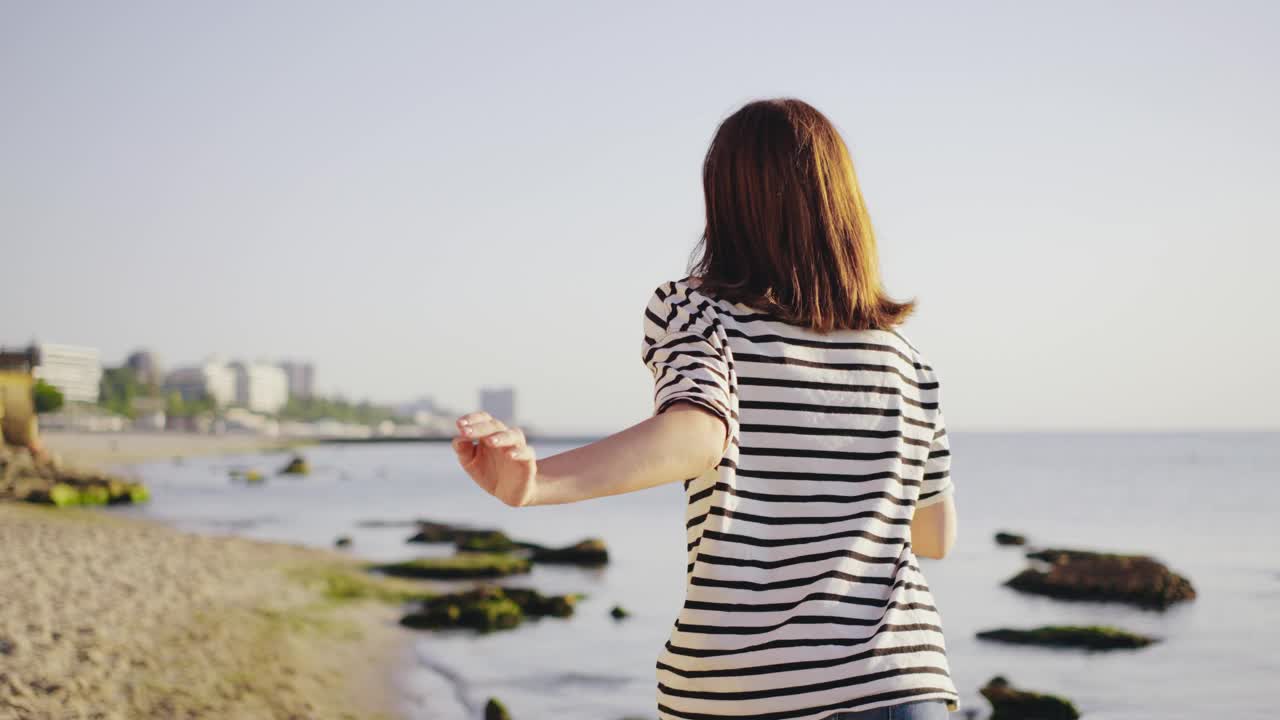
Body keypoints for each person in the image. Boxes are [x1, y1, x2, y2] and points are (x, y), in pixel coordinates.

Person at [452, 98, 960, 720]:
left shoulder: (698, 311)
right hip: (903, 685)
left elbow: (698, 432)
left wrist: (539, 483)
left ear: (727, 202)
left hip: (751, 689)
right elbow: (935, 537)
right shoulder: (907, 359)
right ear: (843, 205)